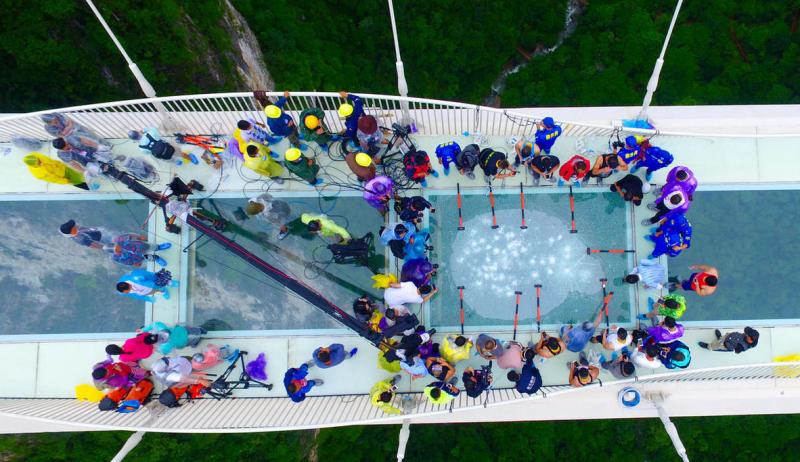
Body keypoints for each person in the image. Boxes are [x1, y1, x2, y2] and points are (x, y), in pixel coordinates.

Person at [23, 153, 89, 190]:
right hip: (63, 176)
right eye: (38, 163)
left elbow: (50, 161)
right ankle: (88, 187)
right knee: (76, 182)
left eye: (38, 160)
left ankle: (88, 179)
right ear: (33, 165)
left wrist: (60, 164)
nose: (40, 162)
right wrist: (65, 181)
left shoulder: (37, 156)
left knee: (77, 174)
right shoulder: (39, 174)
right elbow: (53, 179)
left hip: (63, 168)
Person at [104, 233, 170, 268]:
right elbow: (125, 262)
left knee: (148, 246)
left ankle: (159, 247)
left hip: (138, 246)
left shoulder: (118, 239)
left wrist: (140, 237)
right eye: (116, 250)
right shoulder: (115, 257)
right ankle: (156, 258)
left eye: (117, 246)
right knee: (146, 257)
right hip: (136, 257)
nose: (119, 249)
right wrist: (134, 264)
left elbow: (130, 235)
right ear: (113, 252)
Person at [140, 322, 205, 355]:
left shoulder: (164, 346)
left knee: (191, 342)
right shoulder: (162, 329)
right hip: (182, 330)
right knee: (192, 330)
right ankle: (200, 330)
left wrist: (154, 349)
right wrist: (144, 330)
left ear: (153, 343)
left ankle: (195, 342)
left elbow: (164, 352)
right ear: (152, 334)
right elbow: (155, 324)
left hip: (184, 341)